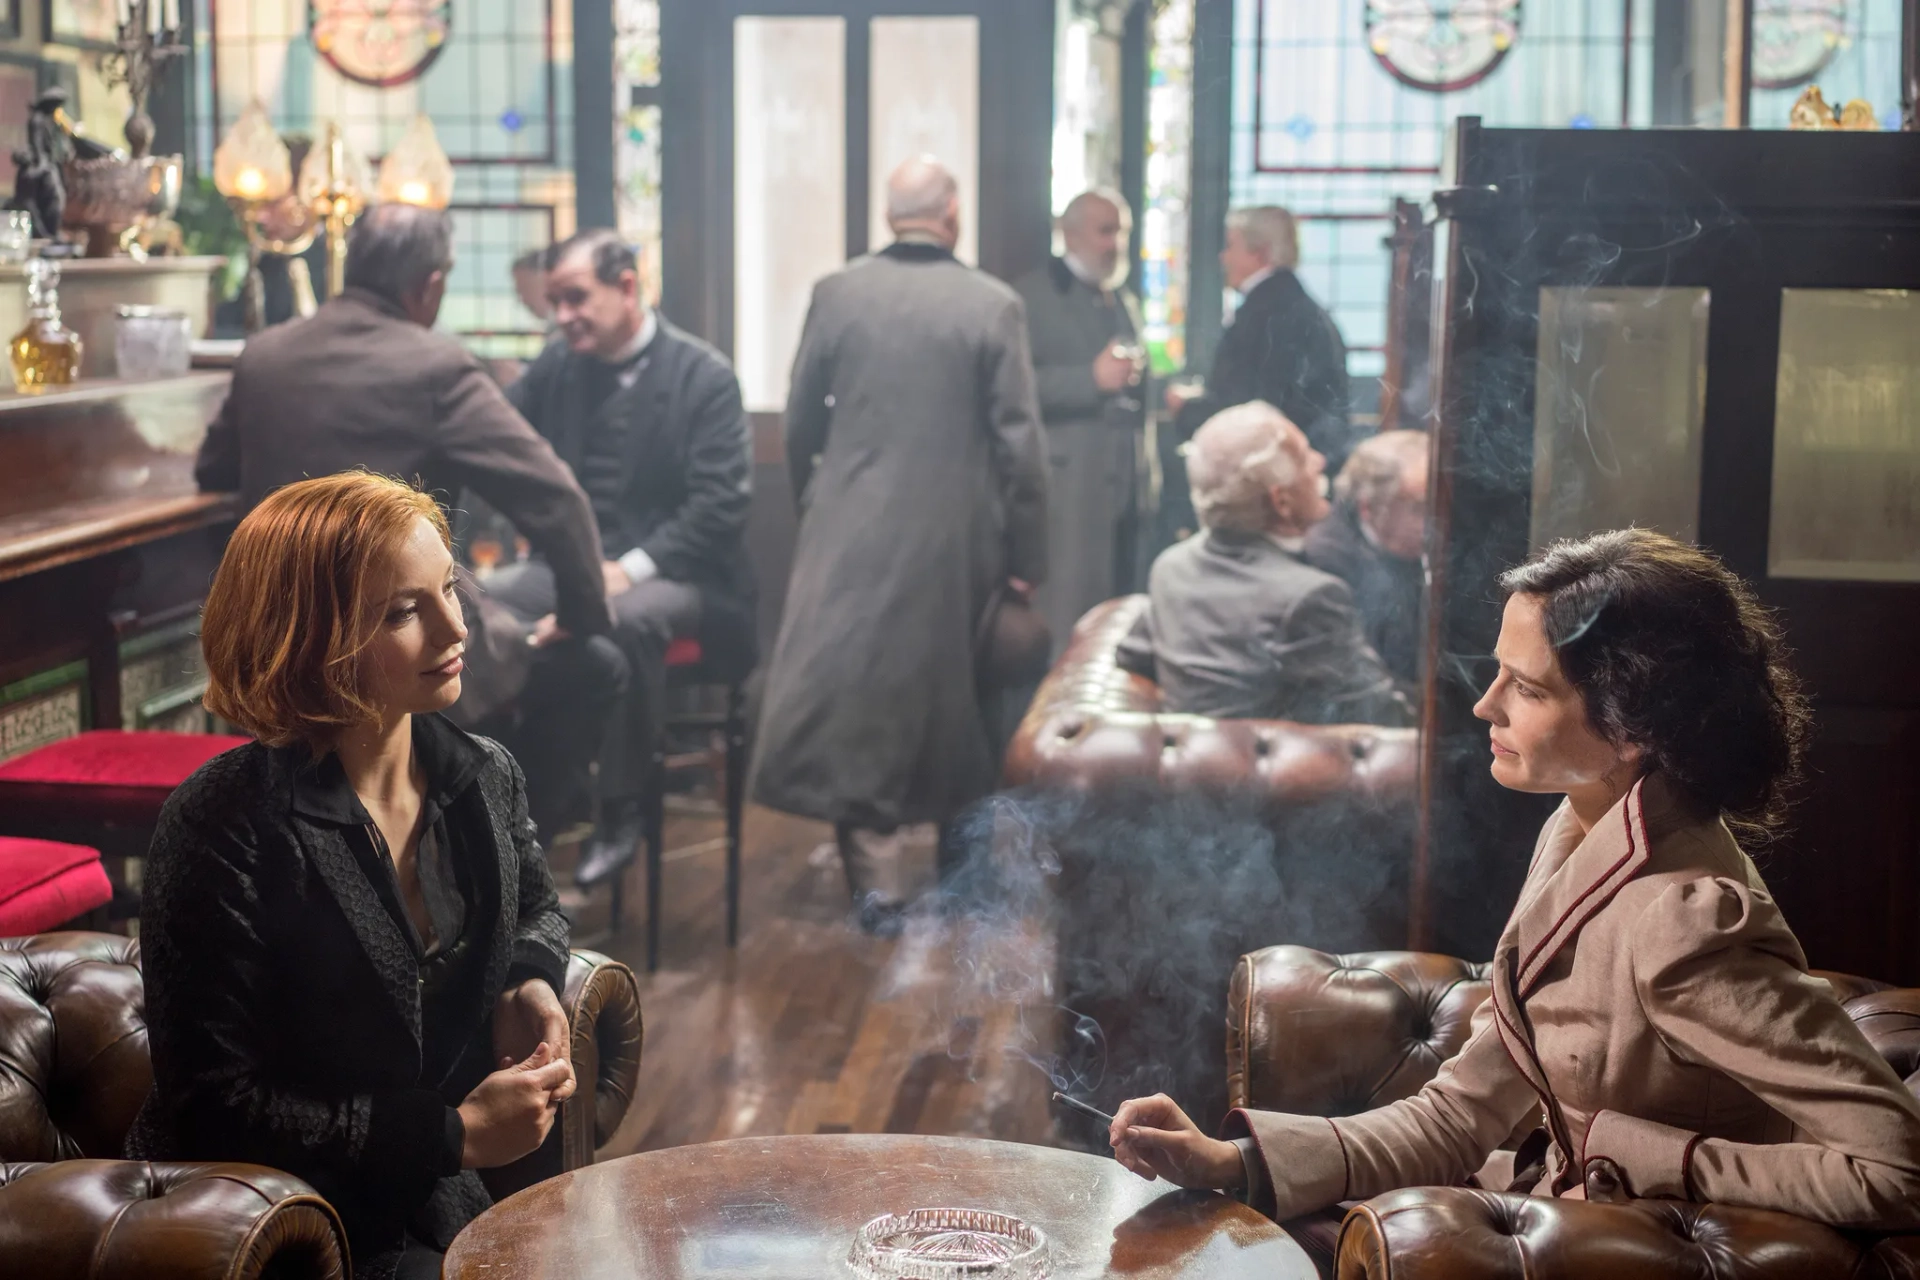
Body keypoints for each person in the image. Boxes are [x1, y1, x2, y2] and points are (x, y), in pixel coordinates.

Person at [1107, 528, 1920, 1232]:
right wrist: (1231, 1161)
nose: (1485, 706)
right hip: (1530, 1211)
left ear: (1634, 725)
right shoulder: (1582, 831)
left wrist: (1643, 1156)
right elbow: (1460, 1116)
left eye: (1526, 688)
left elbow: (1899, 1170)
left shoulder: (1686, 923)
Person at [130, 472, 580, 1280]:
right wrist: (454, 1135)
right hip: (275, 1225)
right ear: (311, 638)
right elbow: (216, 1106)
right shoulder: (222, 823)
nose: (455, 626)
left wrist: (530, 983)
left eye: (449, 588)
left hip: (435, 1199)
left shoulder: (484, 777)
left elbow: (538, 911)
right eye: (403, 612)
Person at [196, 202, 622, 844]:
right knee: (596, 663)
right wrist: (585, 617)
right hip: (387, 644)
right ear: (431, 284)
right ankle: (500, 844)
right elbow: (556, 498)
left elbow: (212, 470)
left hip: (276, 647)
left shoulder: (265, 354)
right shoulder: (435, 367)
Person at [752, 155, 1048, 936]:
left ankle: (874, 889)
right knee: (960, 698)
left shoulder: (837, 292)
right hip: (958, 533)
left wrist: (817, 505)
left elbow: (801, 417)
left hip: (848, 519)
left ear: (892, 216)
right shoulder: (993, 305)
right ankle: (963, 873)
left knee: (860, 699)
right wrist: (1028, 560)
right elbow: (1019, 442)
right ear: (953, 212)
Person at [500, 229, 755, 891]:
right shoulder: (558, 368)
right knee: (483, 598)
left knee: (626, 618)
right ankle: (510, 795)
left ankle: (622, 807)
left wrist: (630, 568)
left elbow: (718, 510)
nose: (563, 317)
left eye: (576, 298)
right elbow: (498, 437)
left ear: (628, 288)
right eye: (555, 302)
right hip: (573, 566)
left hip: (685, 578)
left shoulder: (705, 377)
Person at [1116, 401, 1407, 725]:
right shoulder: (1310, 598)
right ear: (1281, 501)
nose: (1319, 461)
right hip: (1281, 770)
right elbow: (1382, 714)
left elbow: (1132, 656)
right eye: (1304, 456)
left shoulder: (1171, 567)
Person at [1014, 188, 1147, 649]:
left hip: (1123, 484)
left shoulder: (1122, 298)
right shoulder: (1030, 298)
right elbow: (1017, 389)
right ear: (1069, 234)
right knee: (1070, 620)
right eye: (1105, 231)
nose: (1115, 244)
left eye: (1122, 232)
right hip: (1069, 490)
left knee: (1118, 624)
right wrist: (1089, 379)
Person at [1166, 206, 1358, 473]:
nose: (1223, 258)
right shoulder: (1292, 306)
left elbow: (1254, 411)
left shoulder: (1269, 314)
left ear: (1260, 252)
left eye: (1232, 246)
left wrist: (1188, 410)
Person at [1303, 429, 1429, 687]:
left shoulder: (1412, 544)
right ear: (1369, 507)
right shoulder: (1326, 561)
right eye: (1418, 508)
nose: (1432, 524)